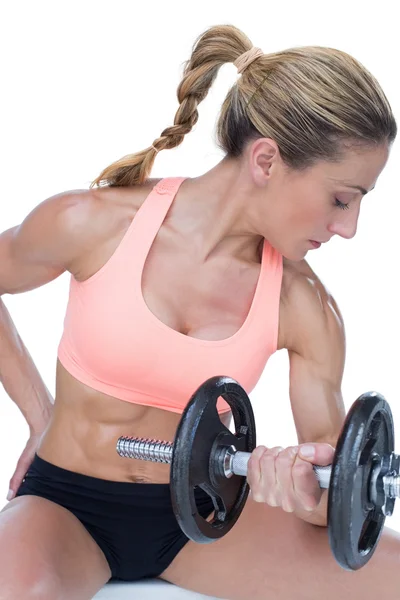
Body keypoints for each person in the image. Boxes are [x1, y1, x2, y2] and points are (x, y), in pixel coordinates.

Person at [0, 22, 397, 600]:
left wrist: (299, 490)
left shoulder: (307, 305)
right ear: (266, 160)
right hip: (68, 505)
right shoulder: (92, 223)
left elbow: (337, 499)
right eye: (341, 199)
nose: (349, 228)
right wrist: (41, 416)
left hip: (209, 524)